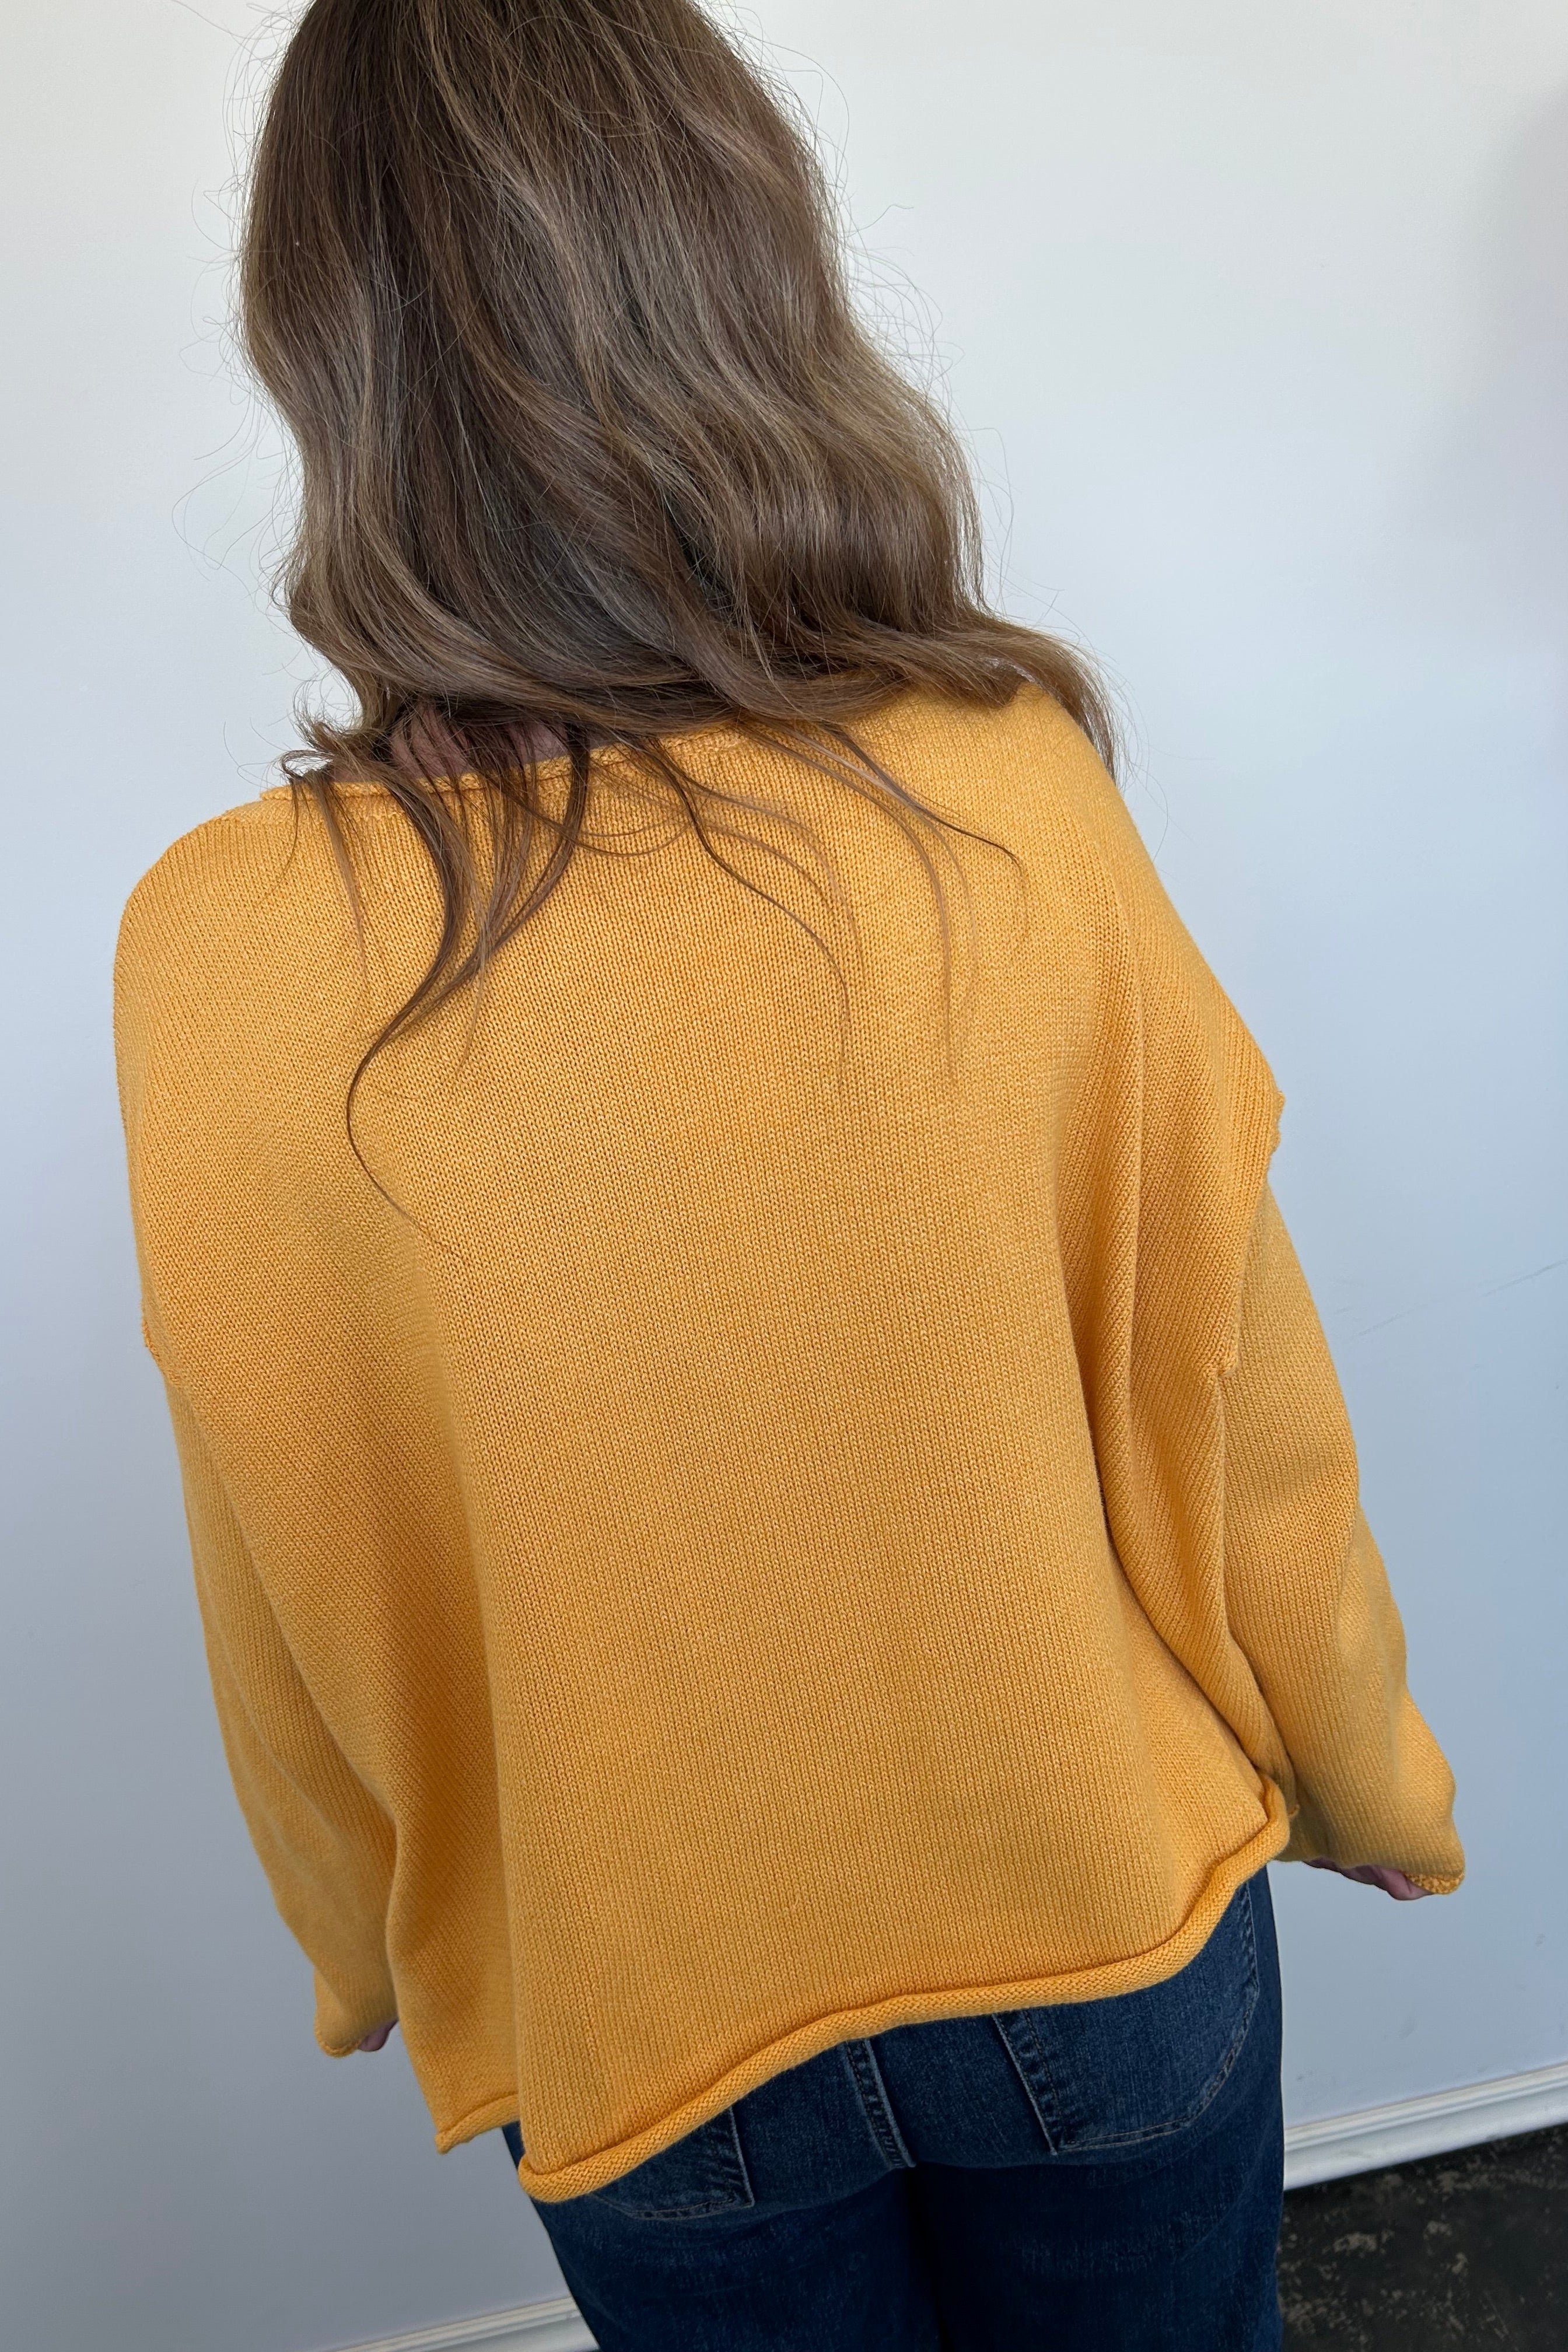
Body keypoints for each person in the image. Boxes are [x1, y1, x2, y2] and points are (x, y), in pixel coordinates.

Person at [114, 2, 1464, 2345]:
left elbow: (285, 1548)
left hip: (634, 2003)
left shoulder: (217, 948)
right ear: (748, 270)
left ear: (325, 355)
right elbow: (1233, 1399)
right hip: (1099, 1915)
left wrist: (364, 1939)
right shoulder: (1002, 793)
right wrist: (1374, 1780)